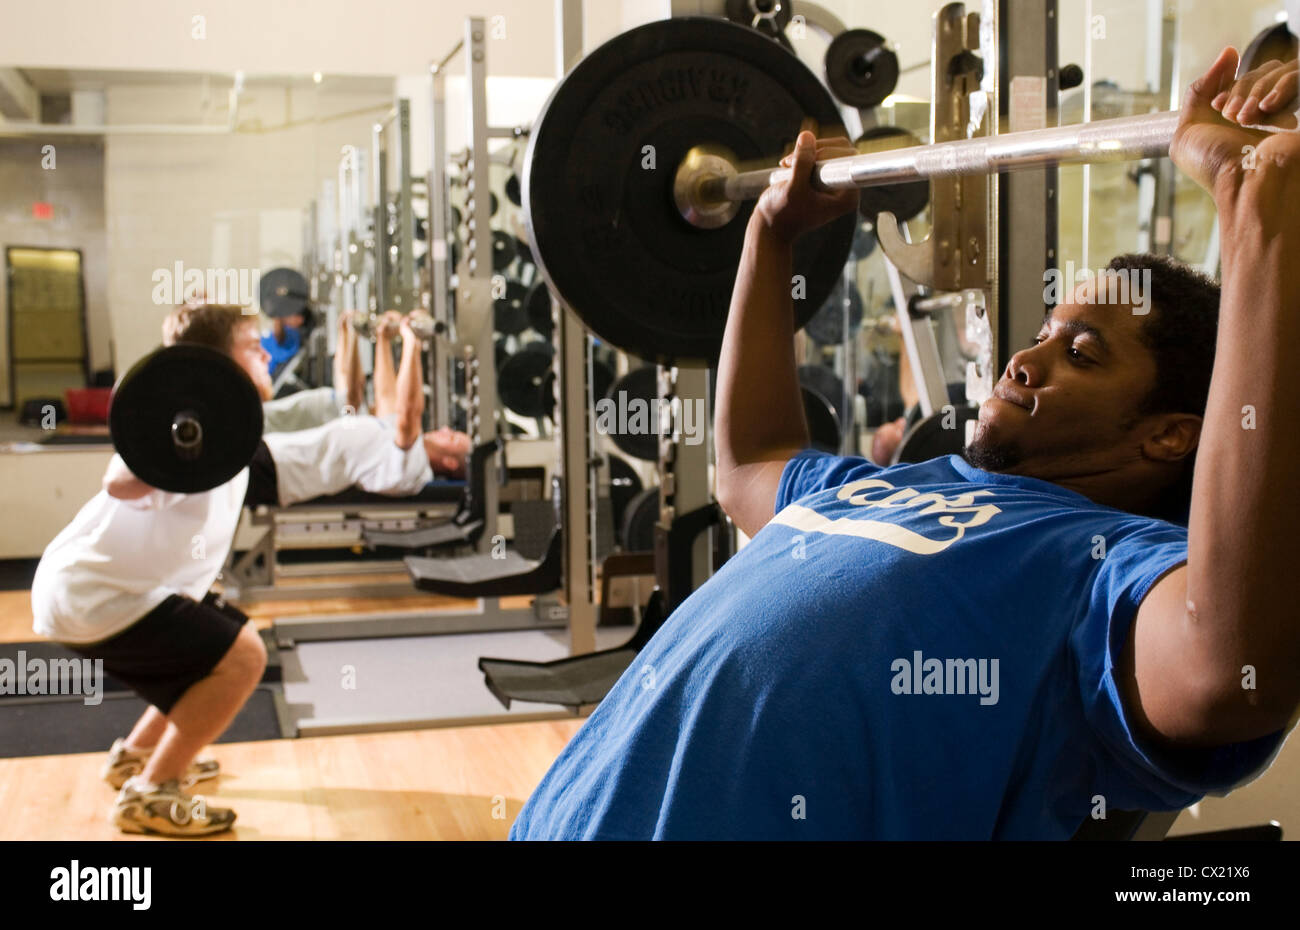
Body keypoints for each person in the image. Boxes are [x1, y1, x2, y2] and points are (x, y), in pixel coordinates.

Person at [510, 50, 1300, 839]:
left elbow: (1229, 671)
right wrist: (769, 232)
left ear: (1169, 435)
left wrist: (1254, 206)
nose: (1024, 359)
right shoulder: (900, 486)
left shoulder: (1105, 564)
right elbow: (748, 461)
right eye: (1042, 335)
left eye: (1082, 354)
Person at [260, 310, 470, 478]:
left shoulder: (414, 468)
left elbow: (408, 413)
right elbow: (387, 397)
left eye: (451, 437)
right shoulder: (398, 441)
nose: (444, 428)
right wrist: (382, 339)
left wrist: (411, 344)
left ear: (449, 462)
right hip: (277, 455)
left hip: (280, 469)